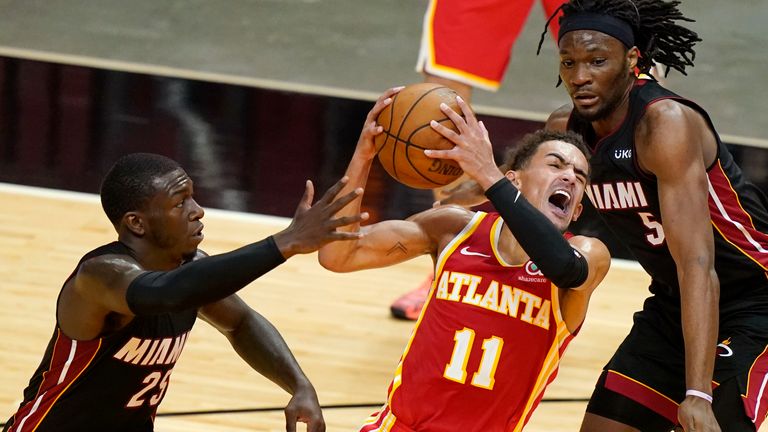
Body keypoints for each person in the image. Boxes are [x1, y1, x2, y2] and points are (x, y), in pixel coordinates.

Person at [2, 153, 367, 432]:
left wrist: (299, 384)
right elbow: (164, 295)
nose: (198, 211)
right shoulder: (100, 276)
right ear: (136, 223)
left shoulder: (189, 269)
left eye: (193, 197)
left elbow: (240, 323)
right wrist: (285, 243)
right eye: (181, 203)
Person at [319, 88, 610, 431]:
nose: (569, 178)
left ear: (577, 210)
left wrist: (488, 174)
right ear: (514, 179)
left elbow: (565, 268)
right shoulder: (454, 228)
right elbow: (337, 255)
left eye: (580, 176)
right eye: (556, 165)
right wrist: (364, 156)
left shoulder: (588, 255)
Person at [540, 1, 768, 430]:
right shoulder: (566, 131)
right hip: (675, 301)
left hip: (757, 300)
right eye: (568, 62)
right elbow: (526, 214)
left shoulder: (664, 123)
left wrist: (697, 393)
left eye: (597, 61)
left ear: (632, 61)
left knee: (709, 422)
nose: (579, 76)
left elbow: (698, 263)